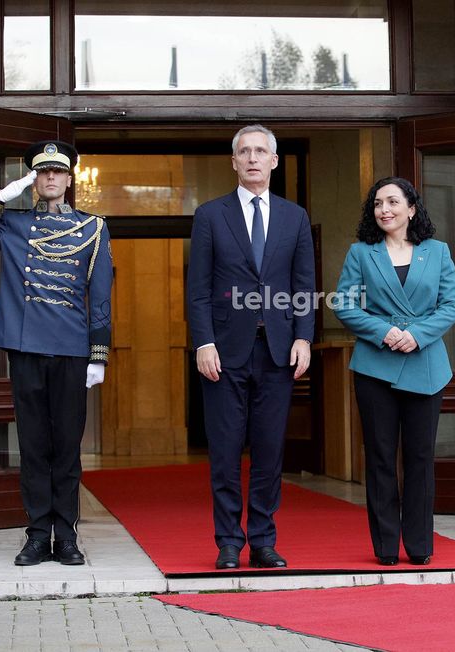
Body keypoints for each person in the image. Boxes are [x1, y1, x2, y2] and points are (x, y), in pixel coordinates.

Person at [0, 141, 113, 566]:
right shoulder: (14, 224)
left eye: (58, 172)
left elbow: (99, 297)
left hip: (71, 348)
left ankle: (68, 536)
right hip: (25, 347)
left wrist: (98, 354)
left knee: (66, 448)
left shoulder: (93, 228)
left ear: (69, 177)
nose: (51, 179)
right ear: (35, 180)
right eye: (42, 173)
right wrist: (3, 195)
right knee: (34, 446)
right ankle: (38, 535)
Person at [187, 125, 315, 570]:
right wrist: (202, 340)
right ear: (234, 162)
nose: (254, 158)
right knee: (224, 450)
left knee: (268, 450)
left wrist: (304, 336)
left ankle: (262, 540)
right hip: (223, 350)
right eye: (245, 152)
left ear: (274, 161)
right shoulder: (210, 215)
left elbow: (304, 284)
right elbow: (198, 288)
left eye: (262, 151)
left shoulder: (294, 217)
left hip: (278, 351)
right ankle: (227, 542)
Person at [334, 177, 455, 566]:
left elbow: (452, 303)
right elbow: (344, 303)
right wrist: (385, 332)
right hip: (376, 366)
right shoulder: (361, 253)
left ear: (411, 209)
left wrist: (417, 335)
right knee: (380, 457)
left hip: (425, 365)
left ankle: (420, 544)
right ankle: (386, 546)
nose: (384, 209)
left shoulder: (437, 251)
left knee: (420, 457)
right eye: (377, 203)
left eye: (392, 201)